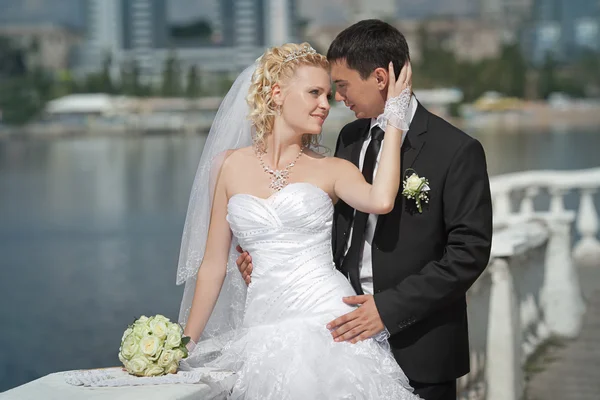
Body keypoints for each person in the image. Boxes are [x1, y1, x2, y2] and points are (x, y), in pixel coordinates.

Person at [236, 20, 494, 400]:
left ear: (378, 78)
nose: (337, 99)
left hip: (420, 345)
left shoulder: (454, 149)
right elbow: (329, 225)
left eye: (342, 86)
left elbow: (468, 254)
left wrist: (387, 310)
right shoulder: (350, 137)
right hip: (335, 336)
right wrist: (275, 261)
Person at [175, 42, 420, 399]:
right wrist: (185, 347)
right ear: (277, 94)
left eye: (328, 94)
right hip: (261, 327)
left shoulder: (333, 169)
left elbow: (381, 200)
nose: (326, 104)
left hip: (328, 323)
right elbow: (212, 267)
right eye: (315, 93)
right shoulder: (228, 166)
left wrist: (395, 118)